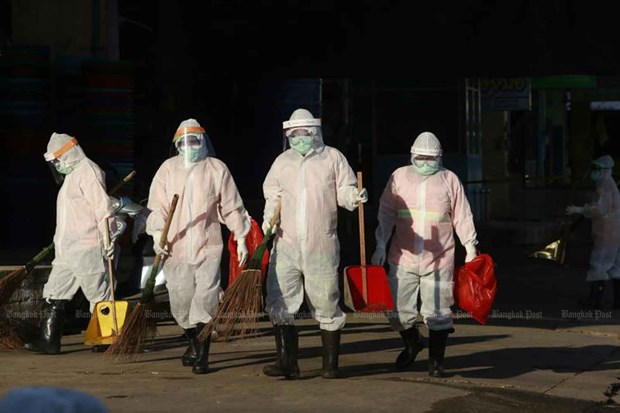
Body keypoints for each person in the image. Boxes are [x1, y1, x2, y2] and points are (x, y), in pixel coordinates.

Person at [261, 108, 368, 379]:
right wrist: (267, 221)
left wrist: (353, 197)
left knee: (326, 301)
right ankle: (288, 363)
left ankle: (330, 366)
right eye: (293, 135)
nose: (299, 139)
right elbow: (272, 196)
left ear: (315, 132)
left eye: (303, 133)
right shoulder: (282, 162)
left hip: (321, 244)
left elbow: (343, 189)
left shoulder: (332, 158)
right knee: (281, 300)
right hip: (286, 244)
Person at [145, 118, 251, 374]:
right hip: (176, 248)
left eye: (193, 141)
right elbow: (156, 206)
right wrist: (157, 233)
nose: (188, 146)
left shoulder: (216, 169)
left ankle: (203, 356)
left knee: (205, 300)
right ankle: (193, 343)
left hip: (208, 247)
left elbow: (231, 206)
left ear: (202, 141)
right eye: (183, 142)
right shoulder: (167, 170)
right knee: (181, 303)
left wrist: (241, 237)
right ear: (176, 145)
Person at [370, 131, 479, 378]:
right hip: (402, 256)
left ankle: (436, 362)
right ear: (411, 156)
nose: (425, 162)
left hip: (439, 258)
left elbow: (462, 216)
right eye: (421, 157)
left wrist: (470, 247)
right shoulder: (399, 177)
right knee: (396, 310)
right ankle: (412, 342)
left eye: (431, 158)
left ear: (440, 158)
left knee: (438, 312)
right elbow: (386, 213)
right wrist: (380, 244)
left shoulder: (449, 180)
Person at [24, 133, 122, 354]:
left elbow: (102, 208)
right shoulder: (72, 176)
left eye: (58, 160)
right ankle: (49, 340)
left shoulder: (89, 171)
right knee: (55, 290)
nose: (57, 165)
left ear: (68, 153)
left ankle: (106, 338)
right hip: (67, 248)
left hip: (87, 245)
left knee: (98, 291)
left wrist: (108, 235)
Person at [566, 154, 620, 309]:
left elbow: (599, 209)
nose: (593, 172)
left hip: (606, 233)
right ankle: (617, 301)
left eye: (596, 169)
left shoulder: (604, 186)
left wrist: (581, 209)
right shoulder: (610, 185)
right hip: (615, 233)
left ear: (603, 170)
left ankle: (595, 301)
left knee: (598, 266)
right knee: (616, 268)